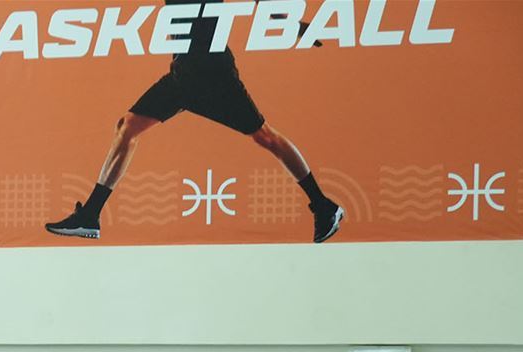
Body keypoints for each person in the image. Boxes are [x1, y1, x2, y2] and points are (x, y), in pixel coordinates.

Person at [46, 0, 342, 245]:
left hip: (214, 73)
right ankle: (90, 215)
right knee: (127, 127)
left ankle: (324, 206)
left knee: (264, 137)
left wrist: (293, 24)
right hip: (182, 75)